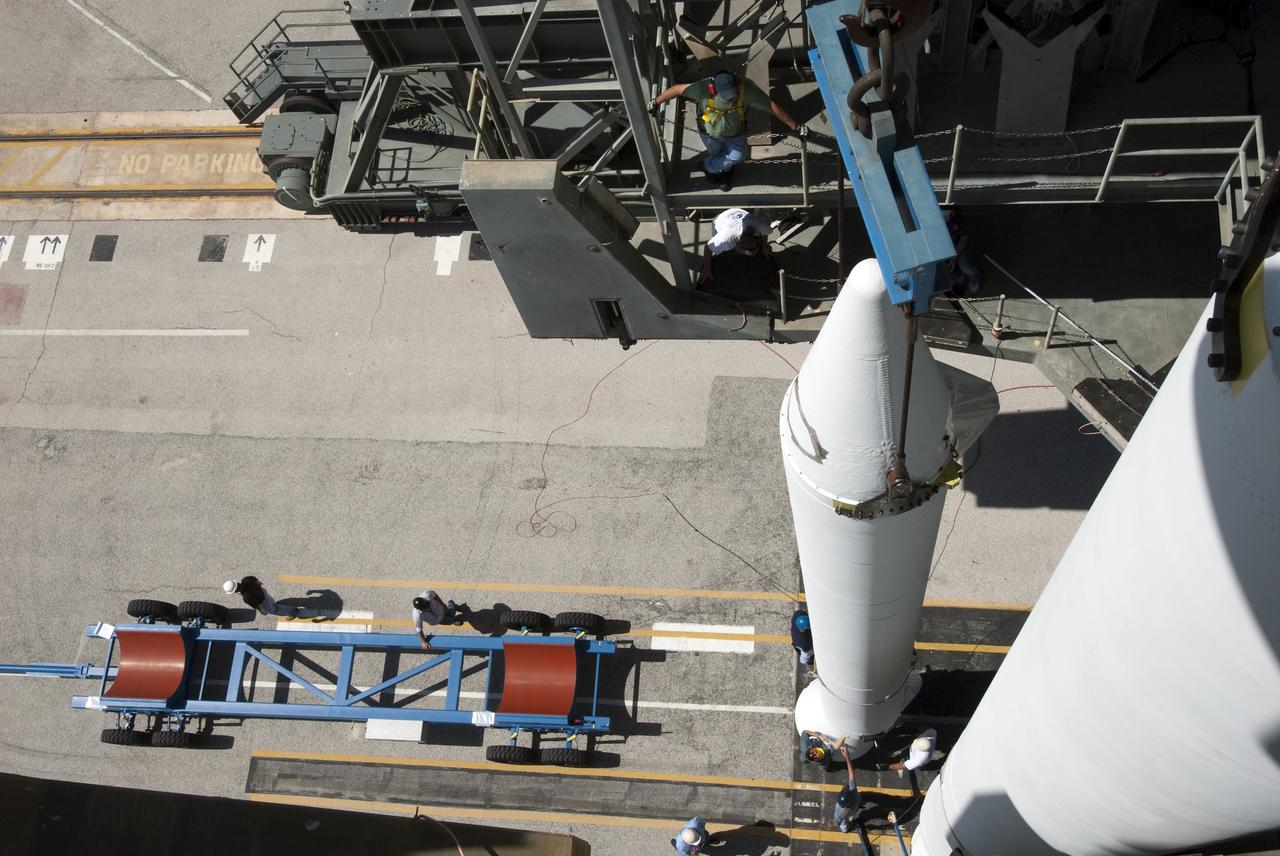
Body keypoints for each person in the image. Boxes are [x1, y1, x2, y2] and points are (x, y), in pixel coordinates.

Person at [651, 70, 803, 189]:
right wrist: (656, 102)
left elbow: (770, 106)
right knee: (717, 154)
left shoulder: (747, 91)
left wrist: (795, 126)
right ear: (713, 89)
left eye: (733, 96)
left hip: (736, 135)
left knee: (738, 155)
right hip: (709, 134)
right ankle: (724, 172)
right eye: (726, 97)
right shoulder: (702, 88)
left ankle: (708, 167)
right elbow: (677, 89)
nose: (731, 100)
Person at [943, 207, 980, 295]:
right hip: (944, 251)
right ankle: (958, 275)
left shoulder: (959, 219)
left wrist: (954, 257)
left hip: (959, 247)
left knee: (967, 268)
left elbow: (964, 238)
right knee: (948, 276)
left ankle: (974, 280)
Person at [224, 576, 296, 617]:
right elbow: (258, 581)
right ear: (236, 582)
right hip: (263, 592)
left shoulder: (246, 598)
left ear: (235, 591)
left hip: (263, 601)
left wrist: (262, 611)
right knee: (272, 601)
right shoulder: (246, 579)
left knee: (275, 609)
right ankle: (275, 604)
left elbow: (257, 606)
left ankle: (291, 611)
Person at [833, 745, 862, 834]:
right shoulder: (854, 793)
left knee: (844, 827)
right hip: (856, 804)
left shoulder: (839, 814)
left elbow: (834, 824)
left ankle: (846, 830)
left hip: (852, 811)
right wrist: (847, 756)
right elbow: (851, 773)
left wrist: (830, 825)